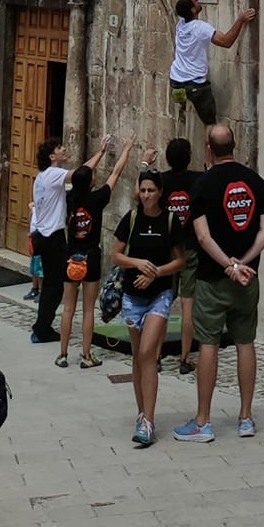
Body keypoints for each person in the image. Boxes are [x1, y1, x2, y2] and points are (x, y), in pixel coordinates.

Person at [174, 124, 264, 444]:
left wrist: (229, 266)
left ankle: (203, 421)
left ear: (208, 149)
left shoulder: (203, 185)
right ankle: (245, 417)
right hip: (248, 279)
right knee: (246, 342)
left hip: (212, 279)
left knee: (208, 345)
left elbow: (202, 236)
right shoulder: (256, 182)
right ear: (236, 144)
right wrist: (244, 262)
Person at [113, 168, 184, 448]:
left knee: (147, 353)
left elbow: (181, 261)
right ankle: (142, 413)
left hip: (160, 295)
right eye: (143, 191)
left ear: (160, 192)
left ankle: (149, 420)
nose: (146, 196)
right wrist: (137, 263)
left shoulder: (169, 221)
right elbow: (116, 254)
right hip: (132, 297)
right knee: (137, 357)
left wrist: (157, 271)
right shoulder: (131, 219)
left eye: (151, 191)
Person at [57, 135, 134, 370]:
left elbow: (81, 173)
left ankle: (62, 354)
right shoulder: (97, 199)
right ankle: (86, 354)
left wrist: (99, 154)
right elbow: (116, 174)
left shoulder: (70, 198)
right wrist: (126, 149)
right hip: (90, 256)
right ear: (90, 182)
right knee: (88, 309)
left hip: (70, 256)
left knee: (68, 308)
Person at [30, 133, 109, 344]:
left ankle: (41, 325)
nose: (63, 149)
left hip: (43, 235)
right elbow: (81, 174)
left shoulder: (41, 177)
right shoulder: (54, 174)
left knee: (51, 284)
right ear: (51, 156)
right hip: (53, 237)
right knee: (55, 286)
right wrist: (100, 153)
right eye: (59, 147)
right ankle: (42, 328)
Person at [169, 0, 255, 125]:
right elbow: (226, 42)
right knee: (210, 126)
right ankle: (210, 140)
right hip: (195, 84)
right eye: (195, 0)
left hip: (176, 80)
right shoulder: (201, 28)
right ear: (193, 10)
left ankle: (183, 106)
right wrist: (240, 20)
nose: (198, 0)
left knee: (187, 100)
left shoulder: (180, 25)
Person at [160, 136, 203, 374]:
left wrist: (146, 165)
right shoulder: (197, 179)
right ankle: (185, 358)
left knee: (162, 303)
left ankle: (155, 354)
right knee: (188, 305)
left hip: (167, 248)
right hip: (190, 247)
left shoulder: (162, 181)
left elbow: (139, 193)